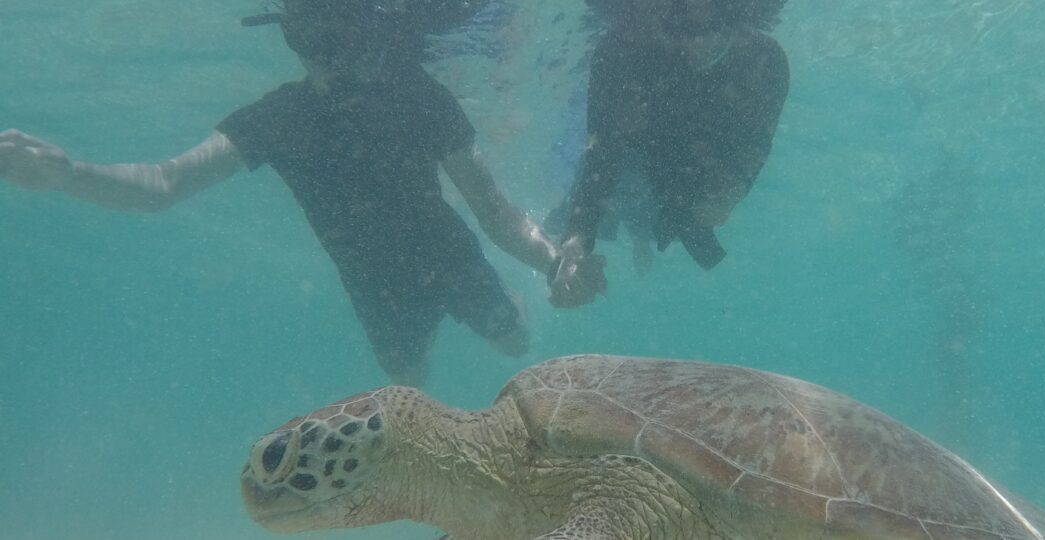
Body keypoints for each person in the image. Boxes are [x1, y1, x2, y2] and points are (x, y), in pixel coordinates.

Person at [0, 0, 601, 387]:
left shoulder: (419, 96)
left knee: (513, 341)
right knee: (406, 384)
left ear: (377, 34)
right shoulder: (280, 118)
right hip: (372, 283)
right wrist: (68, 174)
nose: (344, 62)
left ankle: (514, 310)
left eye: (356, 38)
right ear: (296, 40)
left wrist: (552, 264)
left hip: (447, 254)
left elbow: (492, 209)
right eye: (320, 42)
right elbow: (165, 184)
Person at [546, 0, 789, 306]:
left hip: (693, 166)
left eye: (712, 25)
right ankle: (637, 234)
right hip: (638, 155)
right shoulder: (620, 52)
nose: (697, 41)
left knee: (682, 211)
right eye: (680, 26)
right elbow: (602, 153)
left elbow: (756, 142)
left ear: (735, 18)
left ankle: (643, 238)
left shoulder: (765, 61)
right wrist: (577, 241)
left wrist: (734, 188)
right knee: (613, 187)